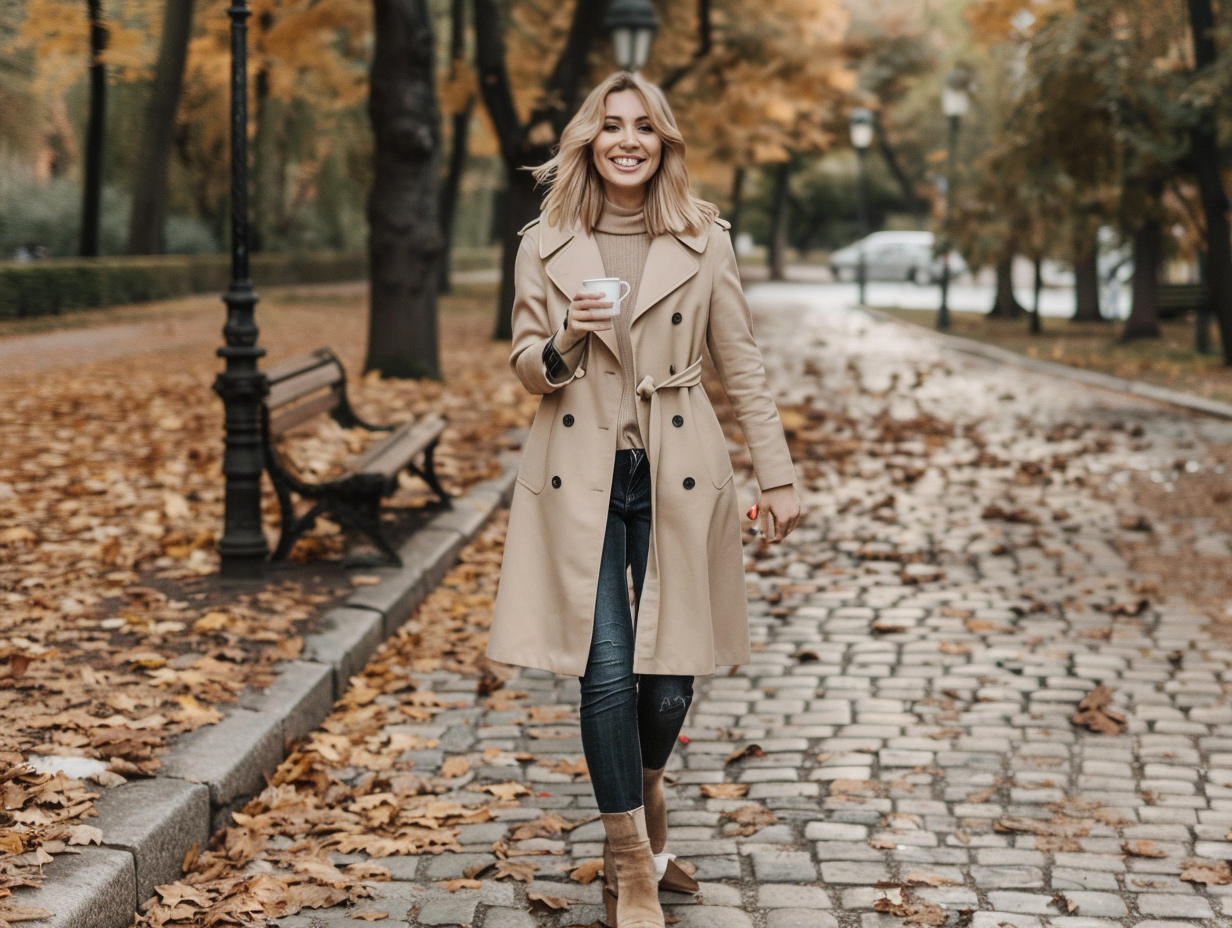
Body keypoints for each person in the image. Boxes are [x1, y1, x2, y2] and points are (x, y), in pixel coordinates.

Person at [487, 70, 801, 928]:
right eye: (611, 125)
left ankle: (646, 797)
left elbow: (741, 363)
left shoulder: (705, 240)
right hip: (577, 474)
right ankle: (631, 864)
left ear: (664, 144)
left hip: (678, 470)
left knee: (667, 687)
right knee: (608, 673)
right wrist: (566, 338)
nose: (628, 139)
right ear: (588, 140)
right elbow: (523, 367)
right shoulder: (544, 241)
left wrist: (777, 475)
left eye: (645, 127)